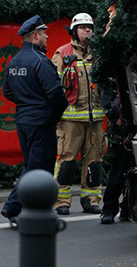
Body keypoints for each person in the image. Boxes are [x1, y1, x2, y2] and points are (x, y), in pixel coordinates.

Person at [0, 15, 69, 220]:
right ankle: (14, 207)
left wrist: (26, 102)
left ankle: (32, 209)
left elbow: (7, 92)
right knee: (39, 169)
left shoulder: (14, 61)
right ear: (36, 36)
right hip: (41, 123)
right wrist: (54, 115)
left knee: (32, 164)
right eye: (45, 33)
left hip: (23, 122)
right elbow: (57, 95)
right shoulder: (41, 61)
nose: (47, 37)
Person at [52, 13, 105, 215]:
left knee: (95, 160)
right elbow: (53, 88)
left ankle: (91, 199)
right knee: (66, 161)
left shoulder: (98, 53)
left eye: (90, 27)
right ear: (74, 31)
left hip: (95, 120)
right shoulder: (62, 54)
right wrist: (55, 115)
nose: (88, 30)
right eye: (83, 27)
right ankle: (62, 202)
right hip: (69, 121)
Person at [99, 84, 135, 224]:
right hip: (120, 130)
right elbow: (106, 101)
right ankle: (109, 209)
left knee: (136, 171)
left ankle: (128, 207)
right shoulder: (112, 75)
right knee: (118, 172)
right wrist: (116, 118)